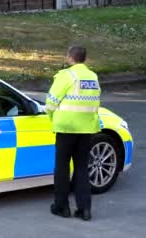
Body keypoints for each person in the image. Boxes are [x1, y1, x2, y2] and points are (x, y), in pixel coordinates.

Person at [46, 45, 101, 221]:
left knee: (62, 168)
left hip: (66, 128)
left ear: (70, 57)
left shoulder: (66, 75)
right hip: (87, 129)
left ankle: (62, 207)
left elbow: (51, 102)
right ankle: (85, 209)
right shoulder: (93, 77)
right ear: (84, 58)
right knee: (82, 168)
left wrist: (52, 117)